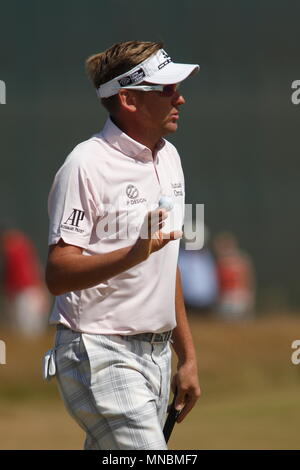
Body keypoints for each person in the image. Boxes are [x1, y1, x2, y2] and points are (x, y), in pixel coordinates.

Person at [44, 40, 201, 450]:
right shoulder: (85, 164)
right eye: (165, 90)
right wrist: (134, 252)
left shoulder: (170, 158)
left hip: (156, 354)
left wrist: (187, 356)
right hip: (96, 349)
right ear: (128, 99)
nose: (179, 98)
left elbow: (166, 265)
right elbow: (58, 273)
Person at [0, 227, 50, 336]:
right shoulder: (21, 245)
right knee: (26, 334)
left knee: (26, 333)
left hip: (25, 294)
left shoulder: (13, 249)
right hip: (28, 292)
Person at [213, 231, 256, 320]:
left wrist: (249, 298)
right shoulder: (218, 263)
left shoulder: (241, 261)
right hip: (225, 299)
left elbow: (248, 280)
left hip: (239, 298)